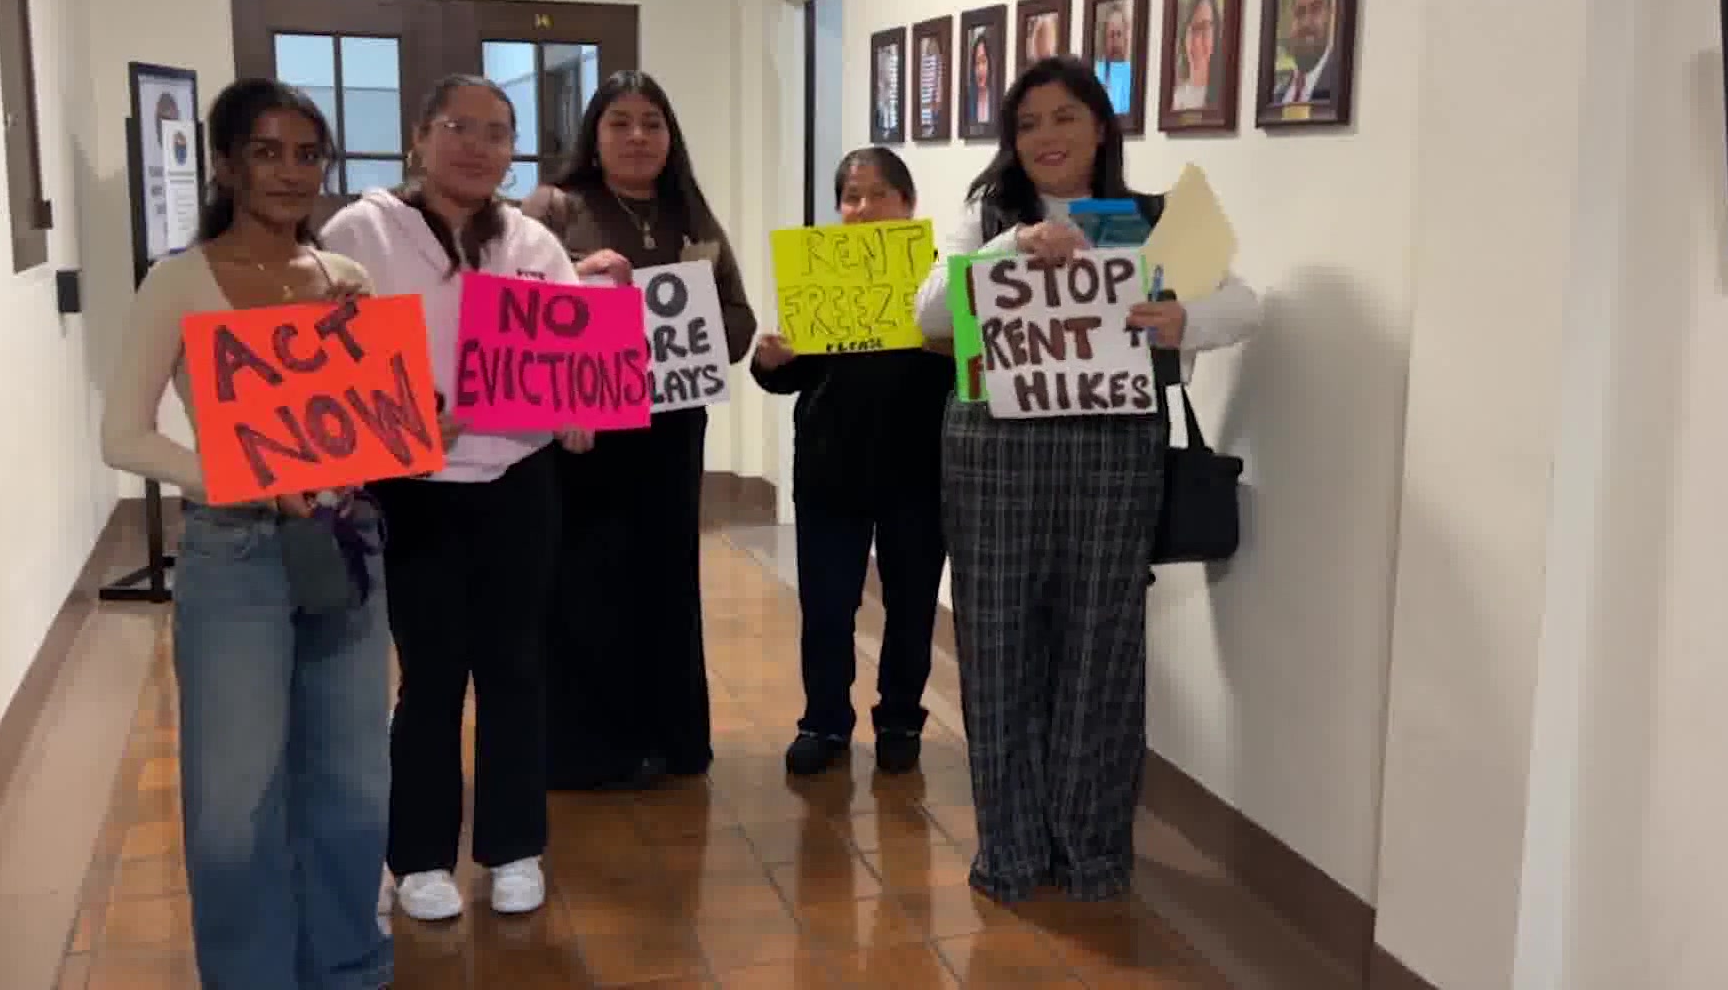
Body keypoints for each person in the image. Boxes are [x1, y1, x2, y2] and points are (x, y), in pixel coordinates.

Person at [913, 55, 1262, 904]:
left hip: (1113, 451)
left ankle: (1092, 851)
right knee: (999, 644)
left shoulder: (1148, 220)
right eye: (1028, 123)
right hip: (995, 450)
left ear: (1100, 127)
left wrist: (1185, 318)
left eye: (1065, 116)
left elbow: (1246, 304)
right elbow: (928, 315)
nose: (1047, 137)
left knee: (1101, 646)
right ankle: (1011, 850)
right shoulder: (986, 214)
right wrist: (1011, 248)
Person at [100, 77, 394, 989]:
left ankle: (347, 966)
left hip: (347, 545)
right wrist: (250, 478)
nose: (290, 171)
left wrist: (418, 424)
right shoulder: (178, 282)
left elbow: (367, 422)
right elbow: (124, 436)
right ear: (226, 165)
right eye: (267, 152)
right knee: (236, 802)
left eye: (308, 154)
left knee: (353, 783)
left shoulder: (346, 280)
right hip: (234, 556)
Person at [321, 74, 601, 921]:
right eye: (459, 127)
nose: (477, 146)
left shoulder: (531, 241)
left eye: (496, 132)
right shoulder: (360, 232)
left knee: (515, 668)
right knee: (432, 674)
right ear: (420, 136)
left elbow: (574, 353)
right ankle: (419, 857)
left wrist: (580, 409)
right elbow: (328, 359)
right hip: (413, 491)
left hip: (518, 481)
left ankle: (515, 846)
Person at [522, 70, 757, 790]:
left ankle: (670, 740)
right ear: (593, 135)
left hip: (672, 431)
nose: (637, 137)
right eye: (619, 122)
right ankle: (588, 750)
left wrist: (693, 330)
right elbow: (515, 301)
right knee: (584, 584)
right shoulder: (554, 206)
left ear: (670, 136)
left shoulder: (691, 212)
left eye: (652, 122)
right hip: (583, 435)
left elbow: (739, 318)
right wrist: (581, 281)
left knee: (665, 580)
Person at [750, 147, 952, 777]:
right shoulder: (821, 276)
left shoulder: (939, 284)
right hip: (829, 472)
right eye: (851, 197)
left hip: (918, 474)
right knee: (827, 607)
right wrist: (769, 361)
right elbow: (789, 377)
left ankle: (900, 718)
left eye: (878, 194)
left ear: (908, 204)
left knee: (911, 605)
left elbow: (972, 371)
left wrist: (947, 344)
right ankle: (824, 721)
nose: (863, 208)